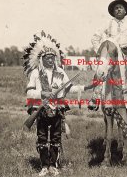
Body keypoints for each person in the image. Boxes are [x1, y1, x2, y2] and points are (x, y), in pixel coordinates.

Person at [23, 31, 84, 176]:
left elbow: (70, 88)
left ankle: (53, 165)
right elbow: (29, 93)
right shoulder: (36, 73)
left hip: (57, 109)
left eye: (52, 58)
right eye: (48, 58)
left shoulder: (61, 72)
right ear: (42, 59)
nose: (51, 60)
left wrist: (85, 88)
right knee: (42, 138)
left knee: (56, 138)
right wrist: (42, 94)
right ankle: (44, 165)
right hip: (41, 108)